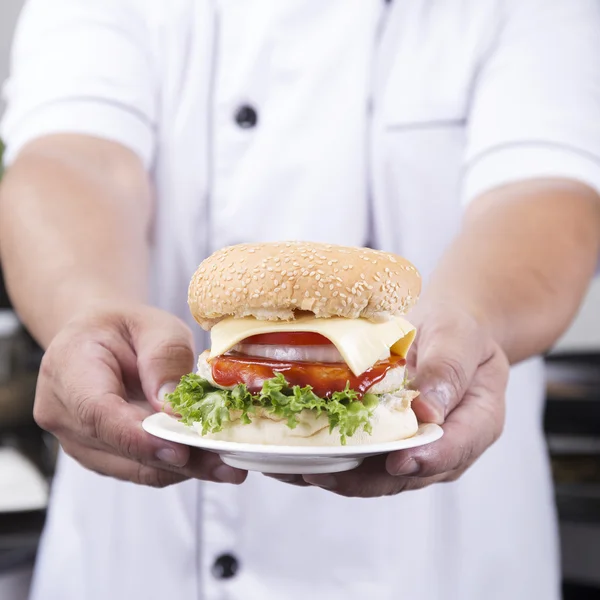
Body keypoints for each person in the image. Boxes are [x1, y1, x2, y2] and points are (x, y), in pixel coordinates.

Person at [1, 0, 600, 598]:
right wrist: (86, 310)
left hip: (436, 560)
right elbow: (72, 157)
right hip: (139, 558)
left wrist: (471, 323)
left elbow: (546, 192)